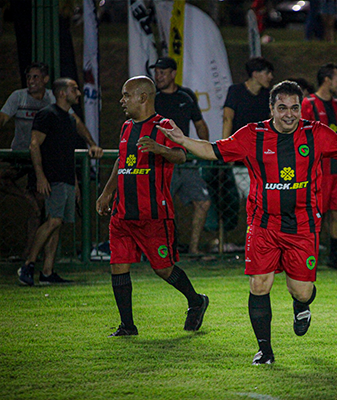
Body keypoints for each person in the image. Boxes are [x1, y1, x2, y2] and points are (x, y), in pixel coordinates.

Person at [157, 80, 337, 364]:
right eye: (282, 108)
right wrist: (183, 140)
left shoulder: (315, 133)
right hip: (262, 224)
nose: (289, 114)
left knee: (302, 291)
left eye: (295, 108)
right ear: (271, 108)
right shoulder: (252, 134)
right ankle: (264, 350)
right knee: (260, 284)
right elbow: (214, 150)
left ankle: (301, 305)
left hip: (302, 226)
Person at [96, 76, 209, 336]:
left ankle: (196, 301)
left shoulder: (164, 125)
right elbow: (121, 161)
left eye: (126, 95)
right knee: (118, 265)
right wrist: (107, 192)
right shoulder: (126, 127)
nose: (122, 100)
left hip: (154, 214)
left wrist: (160, 148)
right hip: (123, 213)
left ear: (143, 97)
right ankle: (127, 326)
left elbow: (181, 155)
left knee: (162, 268)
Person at [18, 78, 103, 286]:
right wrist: (40, 176)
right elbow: (34, 145)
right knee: (53, 221)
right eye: (74, 89)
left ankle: (47, 272)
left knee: (58, 224)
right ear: (63, 93)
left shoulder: (68, 119)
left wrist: (73, 181)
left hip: (65, 179)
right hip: (52, 178)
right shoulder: (47, 114)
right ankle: (28, 265)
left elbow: (67, 152)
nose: (79, 93)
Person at [150, 57, 211, 256]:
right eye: (156, 72)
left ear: (173, 73)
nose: (158, 76)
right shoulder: (152, 97)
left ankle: (193, 248)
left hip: (184, 161)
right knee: (158, 207)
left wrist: (204, 150)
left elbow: (200, 124)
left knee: (203, 202)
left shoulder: (186, 95)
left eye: (162, 72)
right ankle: (157, 250)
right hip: (160, 162)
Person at [1, 63, 54, 260]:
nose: (31, 81)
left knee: (41, 207)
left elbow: (70, 120)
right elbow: (3, 118)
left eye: (35, 77)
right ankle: (28, 199)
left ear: (45, 80)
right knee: (4, 179)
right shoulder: (18, 97)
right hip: (21, 155)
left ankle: (30, 256)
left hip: (41, 157)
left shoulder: (51, 99)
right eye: (29, 77)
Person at [301, 63, 337, 269]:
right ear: (327, 80)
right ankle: (309, 256)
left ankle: (335, 257)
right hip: (318, 170)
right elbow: (302, 136)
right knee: (315, 213)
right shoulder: (308, 103)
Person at [222, 57, 274, 199]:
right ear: (255, 74)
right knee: (233, 198)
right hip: (238, 154)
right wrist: (227, 148)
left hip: (259, 156)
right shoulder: (236, 91)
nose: (271, 77)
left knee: (260, 197)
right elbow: (228, 119)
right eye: (267, 73)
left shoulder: (268, 95)